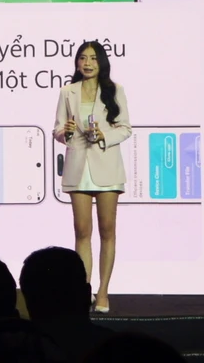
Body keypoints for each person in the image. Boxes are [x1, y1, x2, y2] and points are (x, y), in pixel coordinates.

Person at [53, 41, 132, 313]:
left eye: (93, 59)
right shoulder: (67, 91)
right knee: (82, 232)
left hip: (106, 165)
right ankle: (83, 290)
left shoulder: (115, 90)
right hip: (78, 166)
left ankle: (103, 292)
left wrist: (103, 136)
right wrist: (66, 131)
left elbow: (125, 128)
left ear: (102, 62)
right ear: (77, 62)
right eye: (83, 58)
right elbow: (57, 130)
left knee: (107, 230)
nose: (87, 63)